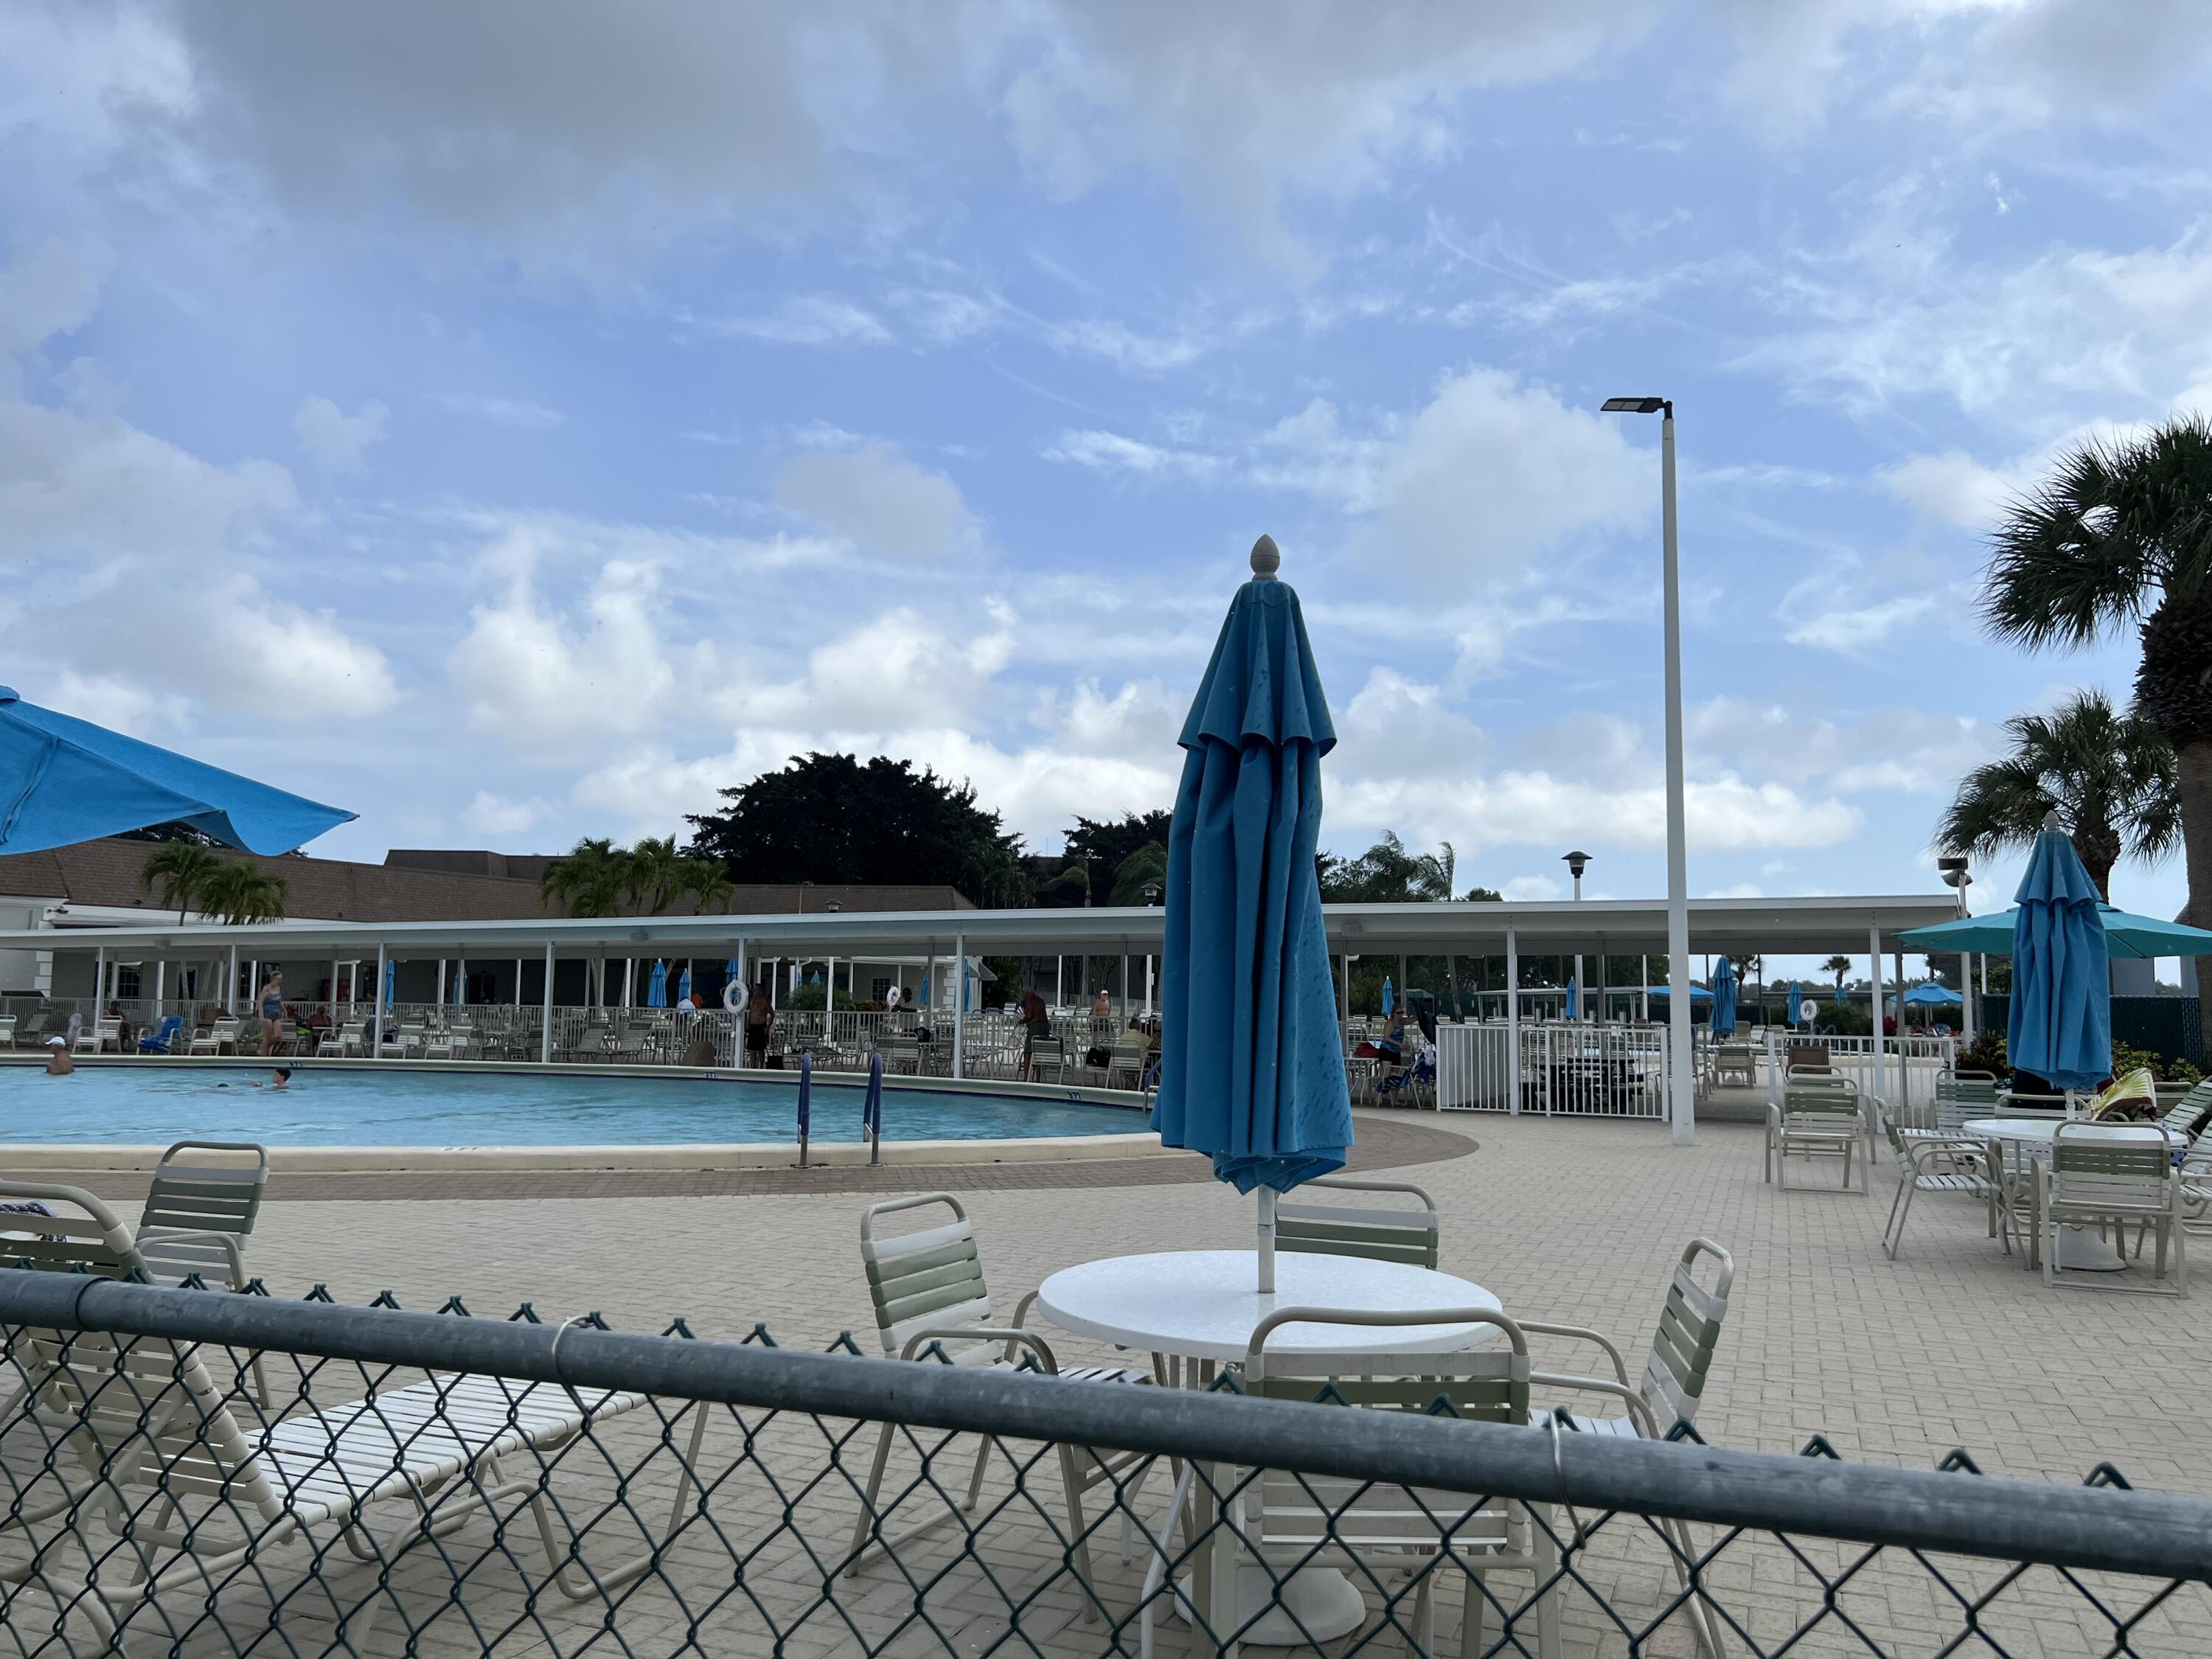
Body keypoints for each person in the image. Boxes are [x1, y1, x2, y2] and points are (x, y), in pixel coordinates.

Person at [1018, 988, 1051, 1079]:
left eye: (1024, 994)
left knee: (1027, 1052)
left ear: (1027, 993)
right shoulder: (1041, 1001)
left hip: (1035, 1027)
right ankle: (1038, 1078)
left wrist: (1021, 1021)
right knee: (1039, 1052)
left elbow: (1029, 1016)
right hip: (1045, 1026)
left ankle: (1026, 1078)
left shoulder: (1030, 1000)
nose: (1024, 996)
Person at [257, 969, 285, 1057]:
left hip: (276, 1014)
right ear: (273, 979)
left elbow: (279, 1000)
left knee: (278, 1036)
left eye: (281, 979)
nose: (281, 981)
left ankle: (262, 1049)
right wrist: (261, 1016)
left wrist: (284, 1009)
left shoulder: (278, 988)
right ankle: (264, 1056)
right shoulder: (267, 989)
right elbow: (260, 1002)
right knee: (267, 1037)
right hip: (267, 1015)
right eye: (279, 979)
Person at [745, 983, 773, 1067]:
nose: (754, 991)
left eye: (756, 990)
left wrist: (768, 1027)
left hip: (761, 1026)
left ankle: (761, 1066)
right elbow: (751, 1012)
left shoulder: (764, 1001)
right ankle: (753, 1066)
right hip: (752, 1026)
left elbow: (772, 1014)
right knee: (752, 1049)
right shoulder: (752, 1000)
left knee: (760, 1049)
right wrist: (748, 1023)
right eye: (754, 990)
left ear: (761, 991)